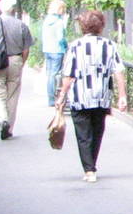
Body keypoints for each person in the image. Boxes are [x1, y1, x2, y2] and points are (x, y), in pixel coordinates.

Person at [53, 9, 128, 183]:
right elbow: (118, 71)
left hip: (80, 97)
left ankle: (89, 169)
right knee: (97, 131)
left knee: (83, 134)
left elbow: (69, 74)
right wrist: (122, 95)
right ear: (101, 26)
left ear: (82, 26)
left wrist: (62, 95)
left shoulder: (75, 46)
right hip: (102, 96)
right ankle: (91, 164)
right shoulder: (109, 45)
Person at [0, 0, 33, 140]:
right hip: (16, 60)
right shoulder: (21, 25)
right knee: (13, 95)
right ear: (13, 9)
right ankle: (9, 127)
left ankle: (2, 119)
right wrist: (21, 63)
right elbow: (26, 49)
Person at [41, 0, 70, 103]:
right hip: (57, 51)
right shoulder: (58, 22)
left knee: (49, 74)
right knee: (55, 74)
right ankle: (53, 99)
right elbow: (60, 38)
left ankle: (50, 98)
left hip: (47, 49)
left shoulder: (46, 20)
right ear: (60, 9)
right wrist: (66, 46)